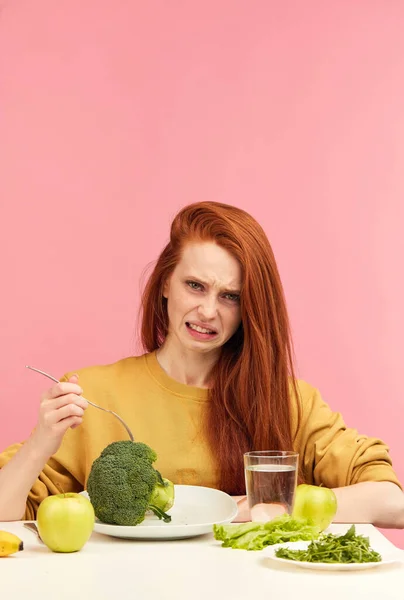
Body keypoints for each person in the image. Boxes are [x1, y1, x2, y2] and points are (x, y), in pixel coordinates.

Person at [0, 201, 403, 527]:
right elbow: (5, 512)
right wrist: (40, 443)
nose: (208, 310)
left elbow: (391, 502)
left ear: (250, 310)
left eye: (230, 296)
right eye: (195, 286)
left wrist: (268, 508)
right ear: (164, 283)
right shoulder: (92, 394)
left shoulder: (286, 400)